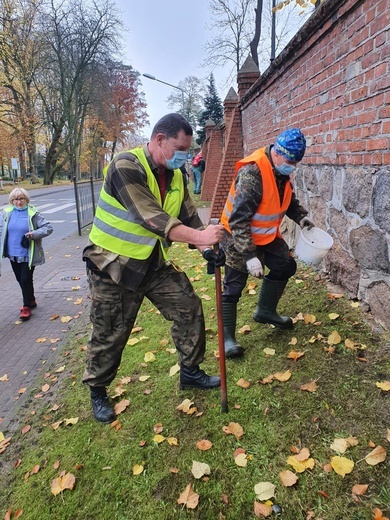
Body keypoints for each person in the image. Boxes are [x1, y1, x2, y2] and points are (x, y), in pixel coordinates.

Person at [82, 113, 226, 423]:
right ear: (159, 139)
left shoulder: (176, 176)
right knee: (110, 334)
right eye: (180, 148)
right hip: (111, 267)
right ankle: (97, 389)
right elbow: (153, 219)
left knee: (188, 305)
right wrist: (201, 237)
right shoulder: (125, 165)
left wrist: (205, 250)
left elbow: (189, 216)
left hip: (152, 264)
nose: (184, 156)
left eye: (188, 149)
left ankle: (190, 371)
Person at [220, 128, 314, 358]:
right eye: (291, 161)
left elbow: (286, 199)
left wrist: (301, 217)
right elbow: (238, 220)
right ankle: (228, 338)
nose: (293, 166)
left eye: (297, 162)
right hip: (238, 237)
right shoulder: (253, 174)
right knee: (233, 287)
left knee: (285, 265)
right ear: (278, 154)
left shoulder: (281, 172)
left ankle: (265, 311)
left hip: (267, 237)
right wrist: (250, 256)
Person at [0, 188, 53, 320]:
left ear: (26, 199)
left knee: (25, 279)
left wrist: (34, 234)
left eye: (21, 198)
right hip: (12, 254)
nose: (19, 202)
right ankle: (31, 299)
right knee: (21, 279)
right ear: (12, 200)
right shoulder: (6, 214)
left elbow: (48, 228)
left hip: (28, 254)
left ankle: (26, 307)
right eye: (16, 199)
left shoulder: (33, 214)